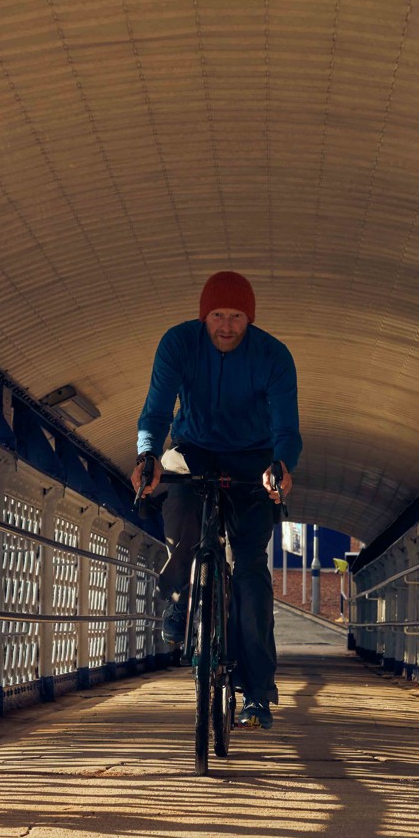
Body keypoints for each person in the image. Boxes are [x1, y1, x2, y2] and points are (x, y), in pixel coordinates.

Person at [133, 271, 301, 730]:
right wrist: (147, 456)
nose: (226, 326)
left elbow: (286, 429)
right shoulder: (178, 344)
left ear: (250, 318)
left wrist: (281, 467)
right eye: (217, 316)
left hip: (253, 459)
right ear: (203, 315)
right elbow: (155, 411)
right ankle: (180, 596)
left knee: (249, 570)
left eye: (237, 317)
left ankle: (257, 692)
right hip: (193, 450)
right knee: (181, 518)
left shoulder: (273, 357)